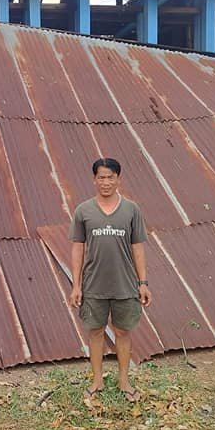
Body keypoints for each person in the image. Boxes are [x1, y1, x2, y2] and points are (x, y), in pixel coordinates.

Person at [68, 158, 151, 403]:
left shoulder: (131, 210)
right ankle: (97, 380)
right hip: (93, 285)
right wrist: (76, 285)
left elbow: (138, 248)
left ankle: (124, 381)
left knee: (123, 331)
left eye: (110, 177)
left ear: (118, 179)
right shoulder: (83, 211)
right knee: (95, 331)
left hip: (125, 284)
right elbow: (77, 249)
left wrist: (143, 283)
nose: (106, 182)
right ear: (94, 180)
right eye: (101, 177)